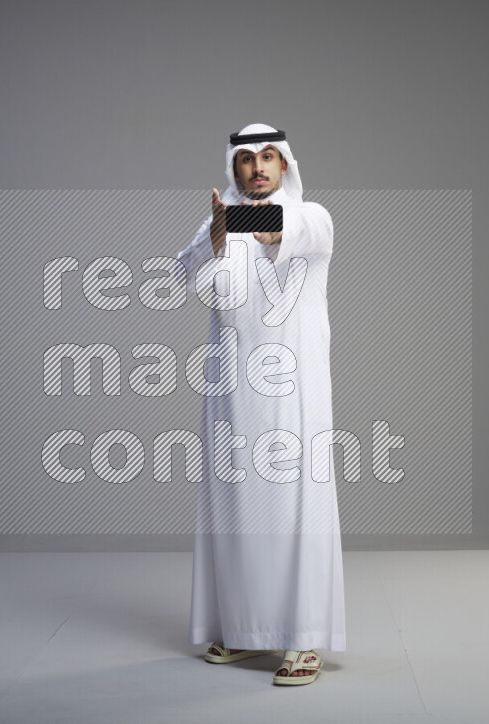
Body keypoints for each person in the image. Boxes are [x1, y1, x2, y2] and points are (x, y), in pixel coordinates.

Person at [175, 123, 346, 685]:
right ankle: (245, 631)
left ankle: (302, 641)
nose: (257, 168)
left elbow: (290, 230)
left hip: (295, 394)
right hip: (231, 393)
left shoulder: (312, 216)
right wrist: (217, 237)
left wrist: (254, 228)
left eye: (268, 157)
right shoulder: (217, 225)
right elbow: (186, 275)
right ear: (234, 168)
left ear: (285, 165)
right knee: (234, 511)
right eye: (246, 159)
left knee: (297, 512)